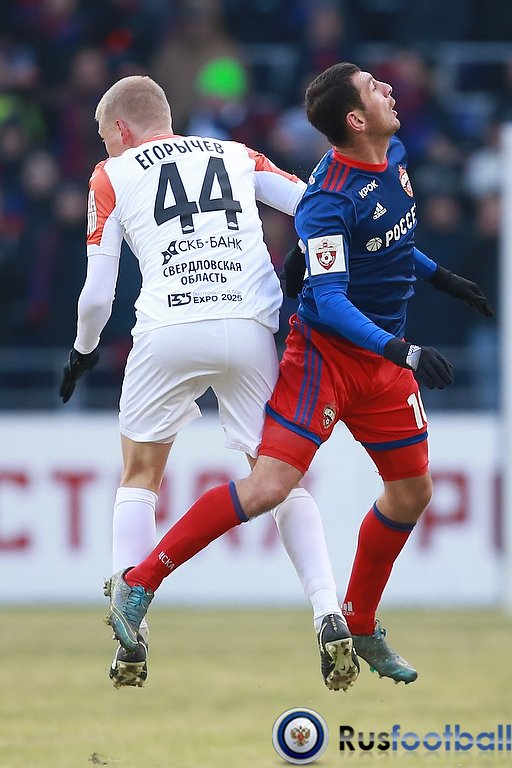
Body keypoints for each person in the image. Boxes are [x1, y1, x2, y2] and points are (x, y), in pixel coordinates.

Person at [102, 62, 493, 685]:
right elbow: (330, 300)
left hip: (383, 362)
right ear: (356, 119)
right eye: (375, 88)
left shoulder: (393, 159)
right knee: (268, 487)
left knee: (412, 492)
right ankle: (140, 582)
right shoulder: (326, 198)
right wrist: (404, 351)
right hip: (327, 361)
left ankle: (359, 620)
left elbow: (387, 239)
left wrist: (441, 277)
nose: (389, 89)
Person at [60, 74, 359, 692]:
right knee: (278, 475)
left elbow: (95, 296)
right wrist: (309, 261)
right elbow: (312, 204)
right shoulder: (235, 153)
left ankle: (131, 627)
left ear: (121, 130)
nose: (106, 145)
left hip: (168, 328)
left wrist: (82, 352)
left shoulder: (110, 174)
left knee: (139, 475)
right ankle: (328, 610)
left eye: (105, 135)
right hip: (249, 325)